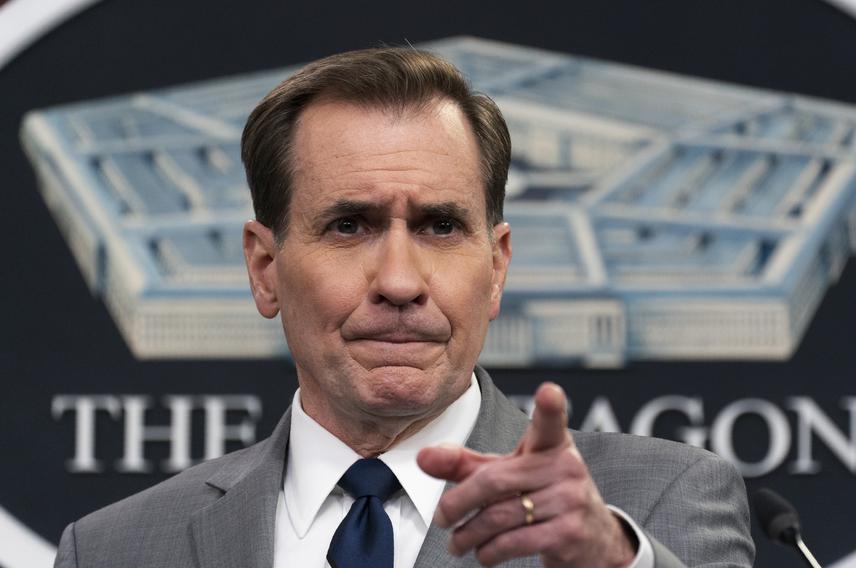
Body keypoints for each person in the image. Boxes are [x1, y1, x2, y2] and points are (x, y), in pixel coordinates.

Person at [53, 47, 754, 568]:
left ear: (497, 265)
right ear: (265, 270)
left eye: (440, 227)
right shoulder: (113, 549)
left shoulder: (655, 503)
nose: (399, 281)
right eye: (349, 225)